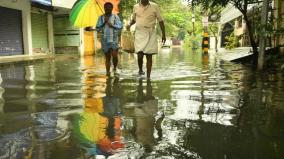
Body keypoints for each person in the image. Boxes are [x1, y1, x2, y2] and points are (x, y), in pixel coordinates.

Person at [127, 0, 166, 79]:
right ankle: (140, 70)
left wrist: (163, 34)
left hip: (151, 32)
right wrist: (129, 25)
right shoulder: (135, 7)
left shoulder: (155, 6)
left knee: (149, 55)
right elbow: (134, 19)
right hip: (139, 32)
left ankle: (148, 77)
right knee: (140, 54)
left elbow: (160, 21)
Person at [86, 2, 122, 76]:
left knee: (115, 56)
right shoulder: (101, 17)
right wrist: (103, 23)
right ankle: (108, 73)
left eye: (109, 7)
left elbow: (120, 26)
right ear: (104, 8)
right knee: (107, 57)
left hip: (114, 40)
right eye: (106, 7)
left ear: (111, 8)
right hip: (105, 40)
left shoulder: (115, 17)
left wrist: (112, 25)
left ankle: (115, 67)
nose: (107, 8)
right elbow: (98, 28)